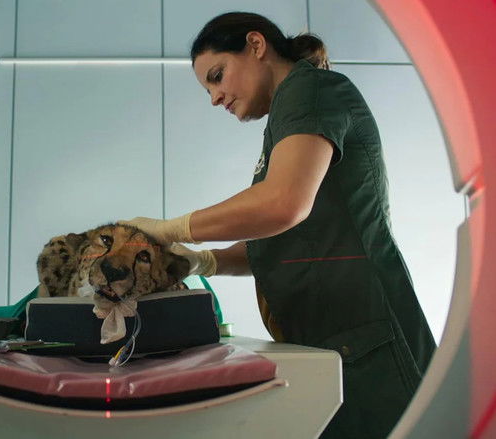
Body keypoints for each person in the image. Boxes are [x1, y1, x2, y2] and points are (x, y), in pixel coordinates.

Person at [121, 11, 436, 439]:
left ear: (255, 45)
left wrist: (171, 229)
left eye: (217, 76)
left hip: (369, 340)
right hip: (333, 340)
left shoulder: (312, 91)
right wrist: (203, 262)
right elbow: (280, 241)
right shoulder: (289, 117)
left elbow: (284, 204)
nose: (214, 97)